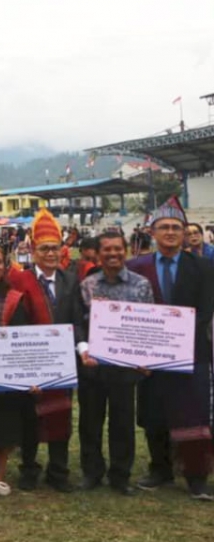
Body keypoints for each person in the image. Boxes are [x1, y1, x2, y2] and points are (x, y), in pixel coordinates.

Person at [128, 197, 214, 500]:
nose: (170, 232)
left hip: (191, 352)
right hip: (149, 356)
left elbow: (205, 310)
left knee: (194, 414)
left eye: (176, 227)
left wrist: (175, 338)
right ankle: (160, 469)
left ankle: (196, 477)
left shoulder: (203, 267)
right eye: (163, 227)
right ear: (152, 232)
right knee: (154, 412)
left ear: (184, 231)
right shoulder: (136, 267)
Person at [0, 244, 54, 497]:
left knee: (4, 421)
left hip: (5, 369)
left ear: (5, 267)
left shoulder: (14, 296)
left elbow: (22, 334)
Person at [74, 230, 155, 495]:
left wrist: (145, 357)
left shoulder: (141, 285)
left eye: (117, 249)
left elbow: (150, 324)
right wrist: (83, 349)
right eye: (106, 249)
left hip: (125, 368)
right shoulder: (88, 285)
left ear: (126, 251)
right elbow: (79, 323)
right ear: (97, 254)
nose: (113, 254)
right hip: (93, 366)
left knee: (122, 423)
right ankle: (92, 472)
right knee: (90, 422)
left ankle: (120, 476)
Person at [8, 208, 76, 493]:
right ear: (33, 250)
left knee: (61, 414)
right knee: (29, 418)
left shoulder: (70, 280)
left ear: (62, 250)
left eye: (55, 248)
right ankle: (28, 468)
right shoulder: (19, 280)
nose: (50, 254)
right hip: (30, 361)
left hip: (62, 362)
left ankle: (58, 470)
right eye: (45, 248)